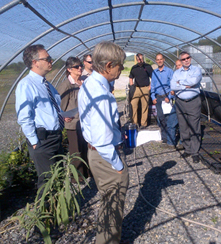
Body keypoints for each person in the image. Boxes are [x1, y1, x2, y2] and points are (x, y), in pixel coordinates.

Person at [78, 41, 129, 244]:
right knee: (112, 209)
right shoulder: (100, 95)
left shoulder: (90, 84)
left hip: (96, 155)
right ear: (108, 65)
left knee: (109, 205)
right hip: (106, 157)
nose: (121, 69)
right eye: (120, 65)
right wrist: (118, 167)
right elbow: (102, 141)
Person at [15, 44, 66, 192]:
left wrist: (62, 118)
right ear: (35, 62)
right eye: (47, 58)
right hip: (43, 141)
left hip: (54, 138)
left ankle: (59, 212)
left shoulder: (46, 84)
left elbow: (51, 108)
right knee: (48, 182)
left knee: (59, 177)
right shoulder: (26, 85)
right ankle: (45, 213)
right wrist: (34, 141)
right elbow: (25, 116)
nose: (51, 61)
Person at [58, 57, 90, 181]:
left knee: (85, 147)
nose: (80, 68)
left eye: (80, 65)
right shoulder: (66, 85)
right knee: (75, 150)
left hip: (85, 121)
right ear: (69, 69)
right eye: (76, 67)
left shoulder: (83, 81)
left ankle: (87, 172)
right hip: (73, 123)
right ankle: (76, 177)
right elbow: (60, 105)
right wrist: (64, 116)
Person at [170, 51, 202, 164]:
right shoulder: (176, 73)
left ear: (190, 58)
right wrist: (185, 84)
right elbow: (173, 86)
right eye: (183, 59)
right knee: (183, 127)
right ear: (181, 61)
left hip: (193, 102)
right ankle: (187, 149)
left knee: (194, 127)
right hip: (180, 102)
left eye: (188, 58)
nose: (186, 60)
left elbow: (194, 81)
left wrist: (180, 83)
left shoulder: (196, 70)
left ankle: (195, 152)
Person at [150, 53, 175, 147]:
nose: (159, 61)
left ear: (163, 60)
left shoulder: (169, 71)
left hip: (166, 98)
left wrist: (169, 97)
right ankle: (164, 138)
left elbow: (172, 86)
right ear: (156, 61)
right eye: (157, 59)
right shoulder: (154, 72)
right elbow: (152, 85)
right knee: (161, 119)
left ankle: (170, 138)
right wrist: (153, 97)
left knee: (169, 118)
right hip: (158, 98)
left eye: (161, 59)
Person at [129, 53, 153, 129]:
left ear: (143, 58)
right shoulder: (134, 68)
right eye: (138, 59)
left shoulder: (148, 67)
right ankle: (134, 123)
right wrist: (132, 86)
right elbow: (131, 77)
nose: (140, 60)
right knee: (133, 106)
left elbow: (153, 77)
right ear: (136, 59)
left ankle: (143, 124)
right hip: (136, 89)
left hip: (145, 88)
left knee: (144, 106)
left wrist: (150, 87)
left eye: (141, 59)